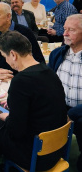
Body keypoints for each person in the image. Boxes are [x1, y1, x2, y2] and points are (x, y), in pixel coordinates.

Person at [0, 31, 67, 171]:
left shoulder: (20, 81)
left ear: (13, 54)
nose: (6, 61)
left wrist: (7, 117)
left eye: (5, 57)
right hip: (56, 149)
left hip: (35, 155)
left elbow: (16, 131)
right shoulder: (49, 71)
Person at [0, 2, 45, 80]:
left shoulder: (25, 32)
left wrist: (24, 76)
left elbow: (39, 60)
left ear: (8, 16)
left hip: (23, 79)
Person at [48, 14, 82, 172]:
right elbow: (46, 82)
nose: (65, 33)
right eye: (65, 29)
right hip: (59, 108)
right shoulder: (58, 54)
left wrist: (73, 114)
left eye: (71, 30)